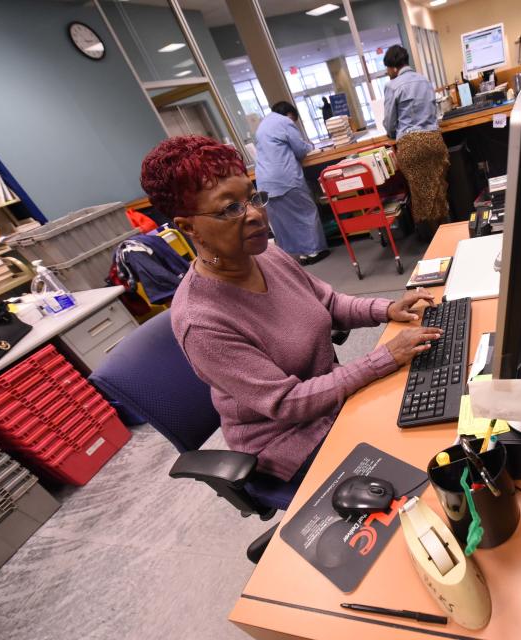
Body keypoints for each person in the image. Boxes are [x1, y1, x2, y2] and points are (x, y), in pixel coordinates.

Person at [140, 135, 441, 482]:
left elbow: (327, 303)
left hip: (335, 401)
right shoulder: (202, 321)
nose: (254, 215)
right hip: (289, 440)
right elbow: (289, 402)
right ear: (188, 227)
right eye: (230, 209)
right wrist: (384, 357)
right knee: (419, 460)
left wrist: (386, 309)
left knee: (430, 404)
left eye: (252, 198)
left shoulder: (265, 253)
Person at [381, 45, 450, 240]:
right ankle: (448, 235)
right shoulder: (425, 81)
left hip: (412, 144)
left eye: (387, 69)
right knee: (438, 189)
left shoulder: (392, 86)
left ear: (394, 68)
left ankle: (434, 241)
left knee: (421, 195)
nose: (387, 73)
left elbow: (389, 125)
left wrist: (394, 130)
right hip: (435, 141)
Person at [255, 100, 329, 265]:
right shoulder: (285, 122)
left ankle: (300, 255)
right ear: (290, 115)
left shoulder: (262, 125)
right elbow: (301, 150)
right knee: (306, 212)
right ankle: (314, 251)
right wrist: (310, 146)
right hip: (284, 178)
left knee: (284, 221)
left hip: (264, 182)